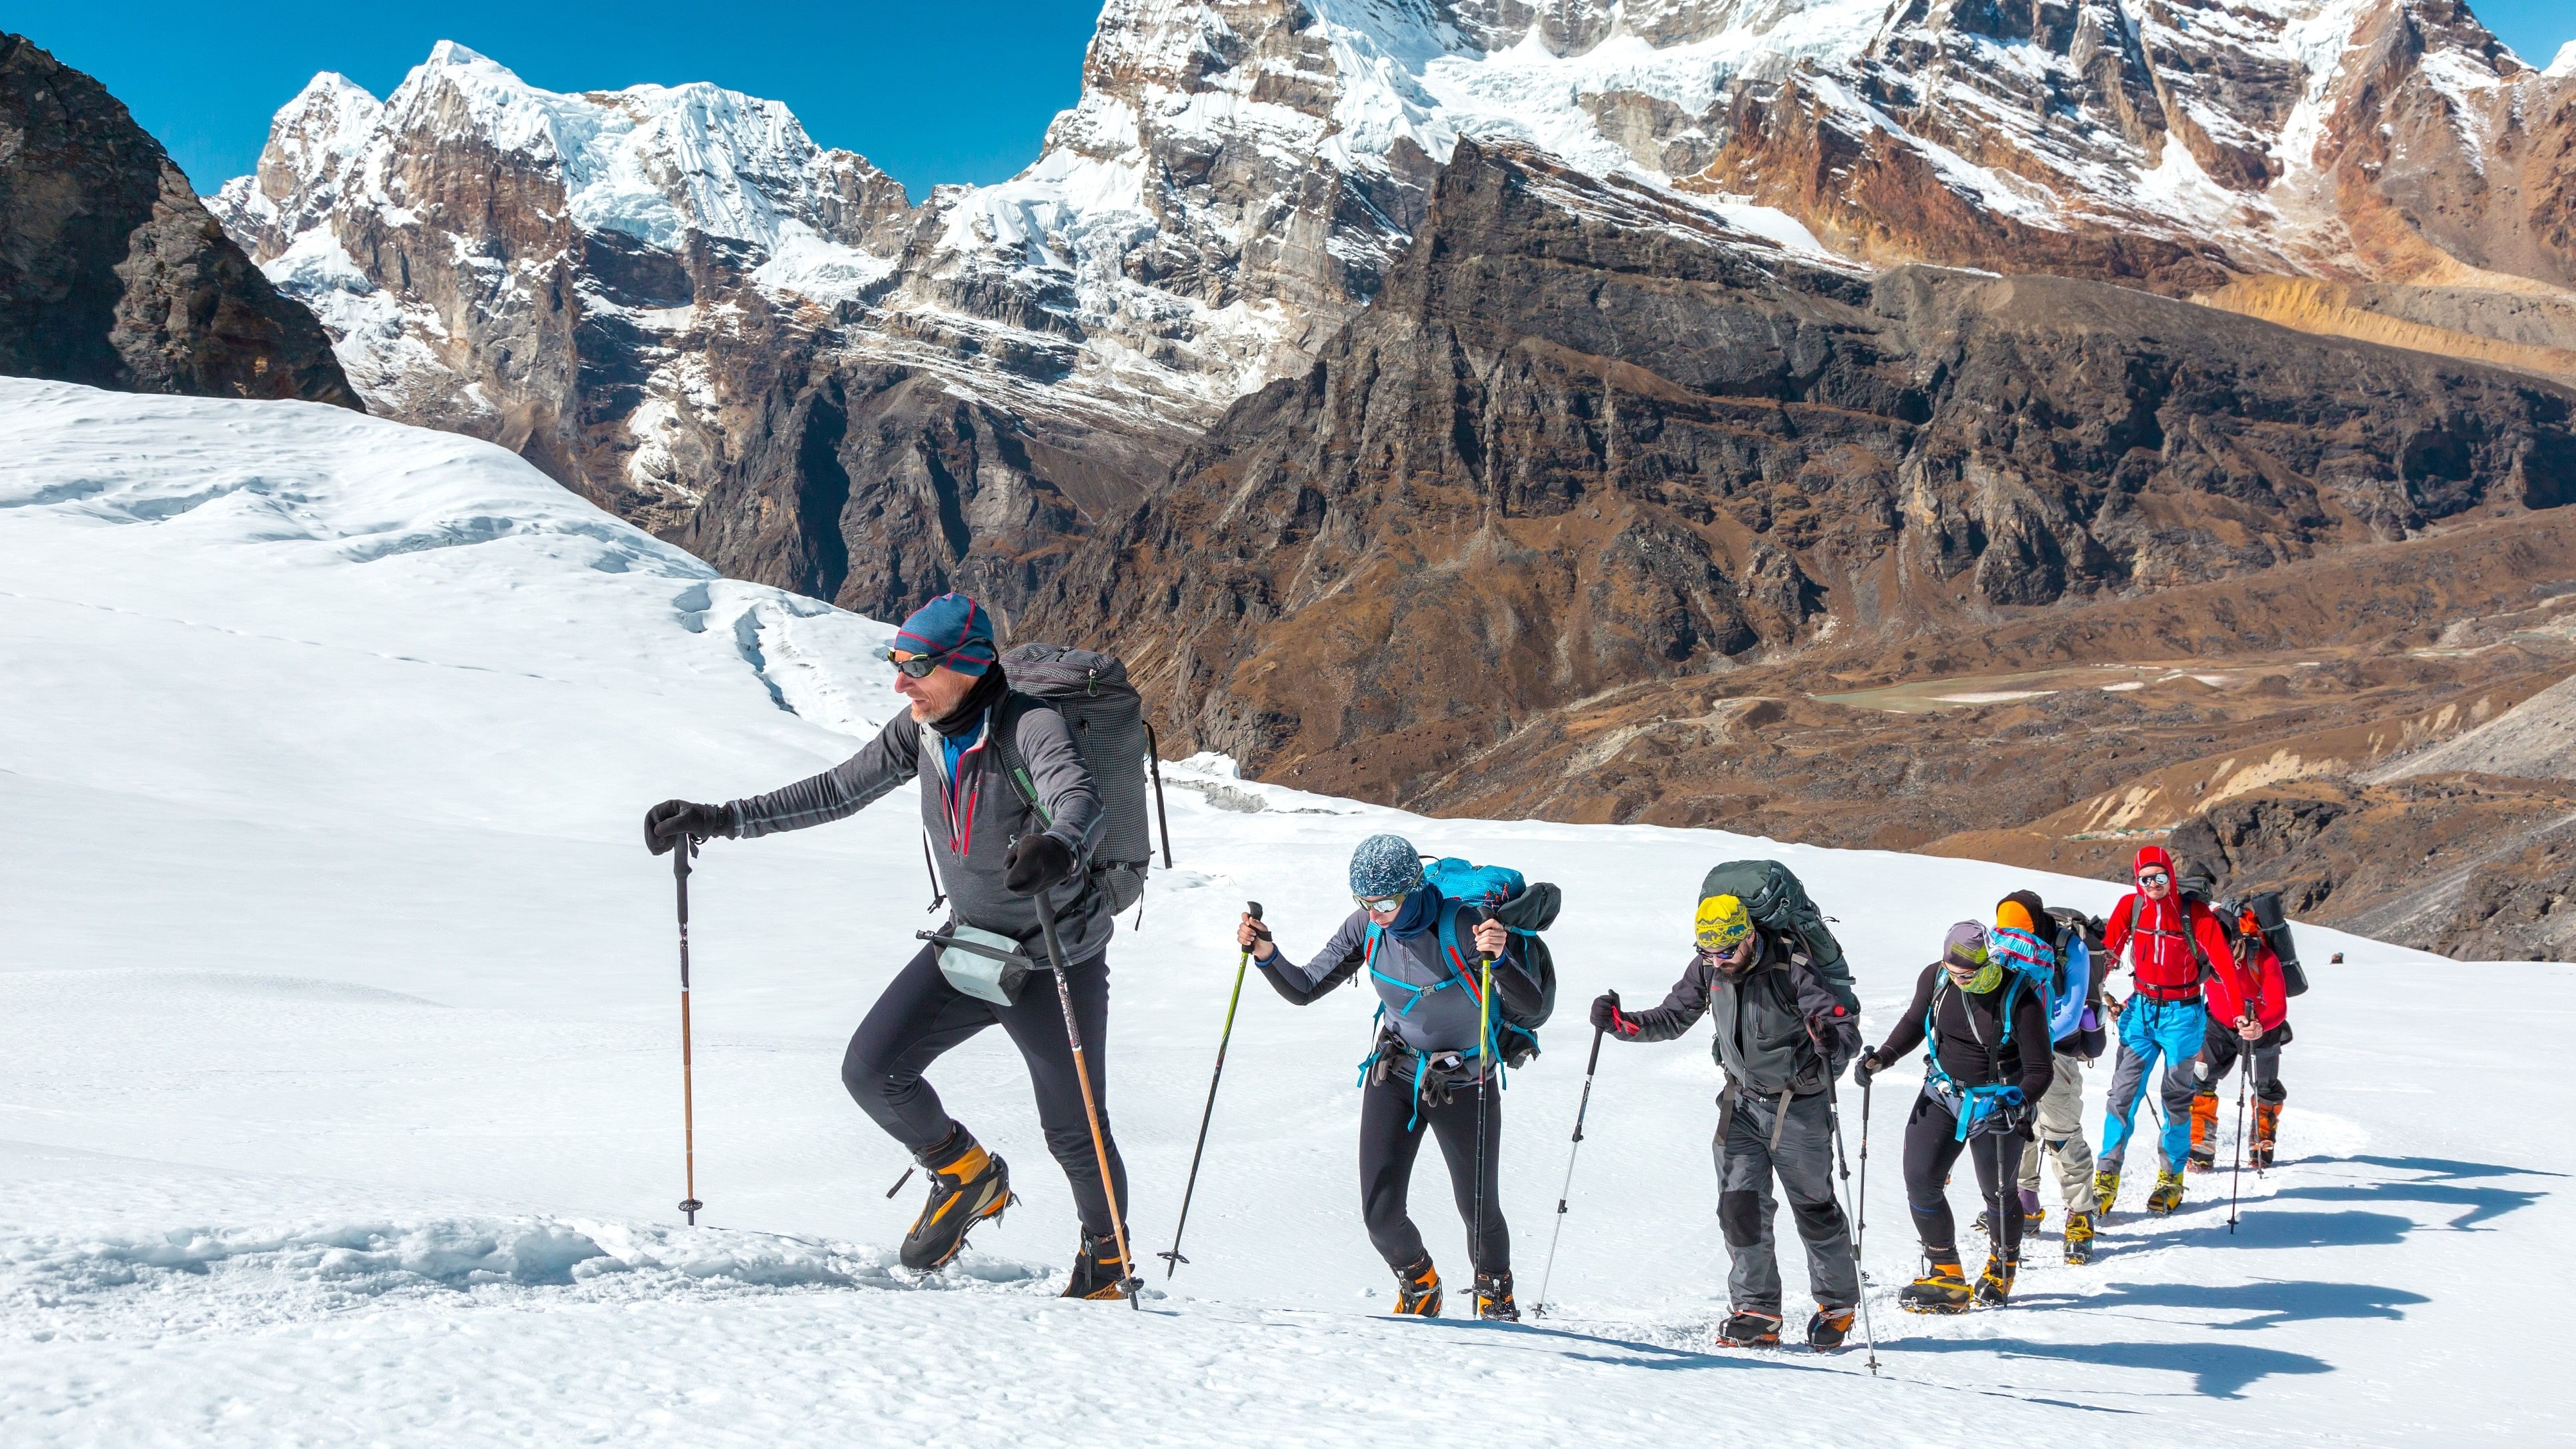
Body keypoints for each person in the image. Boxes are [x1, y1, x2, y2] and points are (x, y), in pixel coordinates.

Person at [642, 593, 1136, 1299]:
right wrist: (723, 818)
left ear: (966, 665)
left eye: (915, 667)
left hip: (1052, 957)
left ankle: (1108, 1264)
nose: (900, 683)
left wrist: (1059, 844)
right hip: (970, 946)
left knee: (1075, 1129)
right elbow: (839, 789)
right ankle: (966, 1173)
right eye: (896, 664)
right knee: (872, 1070)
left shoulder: (1031, 724)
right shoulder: (922, 731)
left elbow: (1075, 795)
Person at [1237, 834, 1531, 1320]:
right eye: (1365, 902)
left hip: (1464, 1083)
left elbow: (1532, 1004)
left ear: (1414, 888)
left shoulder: (1463, 926)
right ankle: (1420, 1283)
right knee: (1379, 1215)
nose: (1375, 914)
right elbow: (1305, 987)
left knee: (1479, 1212)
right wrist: (1266, 953)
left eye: (1387, 902)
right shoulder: (1366, 928)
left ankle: (1496, 1298)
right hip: (1394, 1075)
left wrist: (1499, 960)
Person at [1588, 890, 1863, 1349]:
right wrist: (1621, 1023)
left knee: (1814, 1208)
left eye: (1726, 951)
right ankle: (1757, 1310)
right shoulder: (1707, 970)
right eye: (1707, 952)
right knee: (1739, 1208)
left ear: (1749, 936)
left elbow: (1843, 1031)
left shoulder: (1792, 966)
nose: (1717, 961)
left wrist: (1831, 1040)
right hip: (1740, 1105)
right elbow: (1673, 1017)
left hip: (1799, 1107)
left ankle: (1837, 1304)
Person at [1857, 921, 2055, 1312]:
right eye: (1952, 971)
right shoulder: (1936, 978)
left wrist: (2017, 1105)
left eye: (1967, 974)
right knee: (1921, 1182)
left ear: (1987, 964)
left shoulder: (2020, 997)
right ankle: (1946, 1273)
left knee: (1997, 1192)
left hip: (1997, 1103)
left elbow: (2040, 1069)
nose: (1958, 980)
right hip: (1943, 1092)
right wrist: (1883, 1058)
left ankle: (2002, 1267)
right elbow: (1915, 1022)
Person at [2093, 845, 2234, 1216]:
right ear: (2136, 880)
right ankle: (2106, 1177)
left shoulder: (2195, 914)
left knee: (2176, 1098)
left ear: (2171, 875)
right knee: (2122, 1096)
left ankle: (2171, 1179)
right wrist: (2095, 992)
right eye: (2145, 878)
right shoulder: (2131, 907)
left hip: (2182, 1016)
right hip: (2140, 1010)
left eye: (2160, 877)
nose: (2152, 885)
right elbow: (2109, 952)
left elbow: (2223, 964)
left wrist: (2241, 1015)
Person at [2001, 892, 2106, 1265]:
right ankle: (2025, 1205)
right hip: (2013, 1047)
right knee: (2017, 1126)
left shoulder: (2070, 947)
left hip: (2056, 1050)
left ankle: (2080, 1214)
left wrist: (2032, 1039)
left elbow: (2073, 1008)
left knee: (2060, 1133)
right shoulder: (2002, 942)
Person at [2190, 901, 2291, 1171]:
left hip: (2261, 1027)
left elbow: (2279, 1007)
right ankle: (2200, 1146)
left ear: (2239, 940)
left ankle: (2262, 1143)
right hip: (2218, 1025)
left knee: (2266, 1088)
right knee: (2200, 1079)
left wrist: (2260, 1025)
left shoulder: (2263, 958)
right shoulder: (2203, 957)